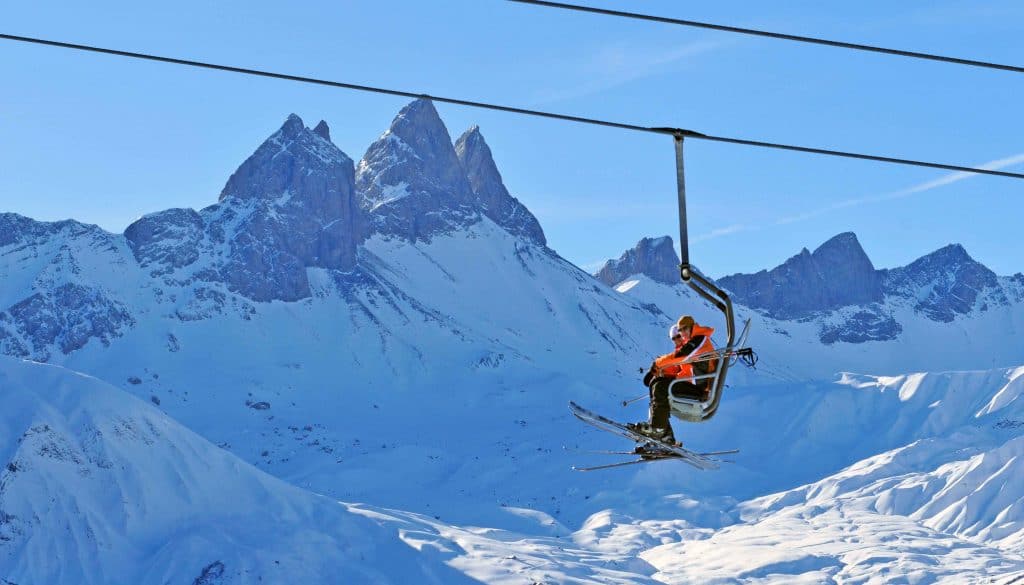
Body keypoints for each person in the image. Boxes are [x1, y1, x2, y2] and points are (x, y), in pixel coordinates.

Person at [631, 315, 717, 445]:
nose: (681, 334)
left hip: (699, 387)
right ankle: (665, 435)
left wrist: (658, 363)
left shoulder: (700, 340)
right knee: (658, 383)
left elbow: (681, 355)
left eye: (683, 330)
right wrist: (660, 371)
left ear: (691, 327)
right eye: (680, 331)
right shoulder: (695, 341)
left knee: (661, 387)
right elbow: (680, 366)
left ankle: (659, 428)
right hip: (692, 382)